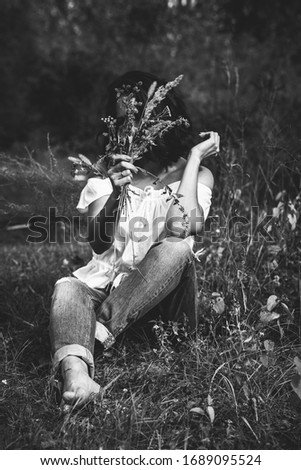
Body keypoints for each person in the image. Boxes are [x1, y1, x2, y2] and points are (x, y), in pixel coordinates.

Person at [49, 71, 220, 411]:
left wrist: (196, 158)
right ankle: (77, 379)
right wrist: (114, 192)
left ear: (156, 122)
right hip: (105, 287)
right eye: (119, 123)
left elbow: (180, 226)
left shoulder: (194, 173)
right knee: (68, 287)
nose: (124, 131)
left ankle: (95, 331)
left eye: (131, 121)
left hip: (161, 302)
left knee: (176, 248)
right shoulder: (106, 178)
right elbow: (98, 245)